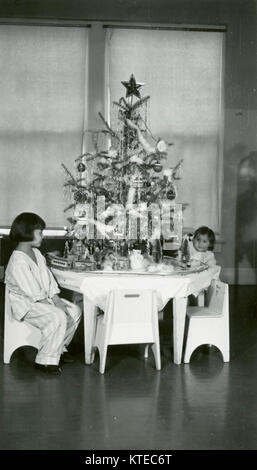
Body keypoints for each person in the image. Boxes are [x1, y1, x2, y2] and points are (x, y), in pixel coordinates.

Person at [5, 212, 82, 375]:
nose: (43, 236)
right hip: (26, 305)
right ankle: (45, 361)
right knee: (58, 316)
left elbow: (48, 281)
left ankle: (59, 348)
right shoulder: (18, 261)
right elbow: (33, 293)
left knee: (75, 311)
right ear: (27, 233)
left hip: (42, 300)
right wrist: (57, 308)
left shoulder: (37, 254)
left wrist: (58, 301)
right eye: (40, 233)